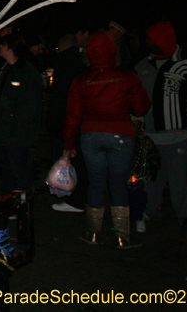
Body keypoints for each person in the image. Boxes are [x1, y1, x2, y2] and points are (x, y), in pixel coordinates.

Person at [63, 32, 151, 248]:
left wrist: (67, 146)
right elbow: (142, 107)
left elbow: (73, 116)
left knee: (96, 184)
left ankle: (93, 233)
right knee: (118, 185)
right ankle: (122, 236)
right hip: (120, 135)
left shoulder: (81, 80)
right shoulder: (127, 77)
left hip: (90, 136)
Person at [134, 21, 187, 229]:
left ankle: (186, 216)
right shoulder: (142, 66)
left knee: (180, 180)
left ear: (161, 41)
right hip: (152, 134)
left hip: (178, 135)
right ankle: (151, 212)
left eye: (151, 38)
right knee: (153, 178)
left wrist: (184, 118)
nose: (146, 42)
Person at [0, 33, 44, 195]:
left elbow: (30, 105)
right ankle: (9, 203)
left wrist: (16, 125)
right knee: (6, 170)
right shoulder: (2, 68)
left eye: (3, 44)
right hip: (1, 131)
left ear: (12, 48)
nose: (0, 47)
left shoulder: (26, 72)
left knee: (18, 169)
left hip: (16, 134)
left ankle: (22, 205)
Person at [47, 34, 88, 212]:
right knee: (77, 160)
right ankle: (76, 196)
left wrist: (55, 123)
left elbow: (59, 98)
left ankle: (72, 197)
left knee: (69, 159)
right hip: (77, 120)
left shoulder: (63, 64)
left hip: (66, 120)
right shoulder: (81, 64)